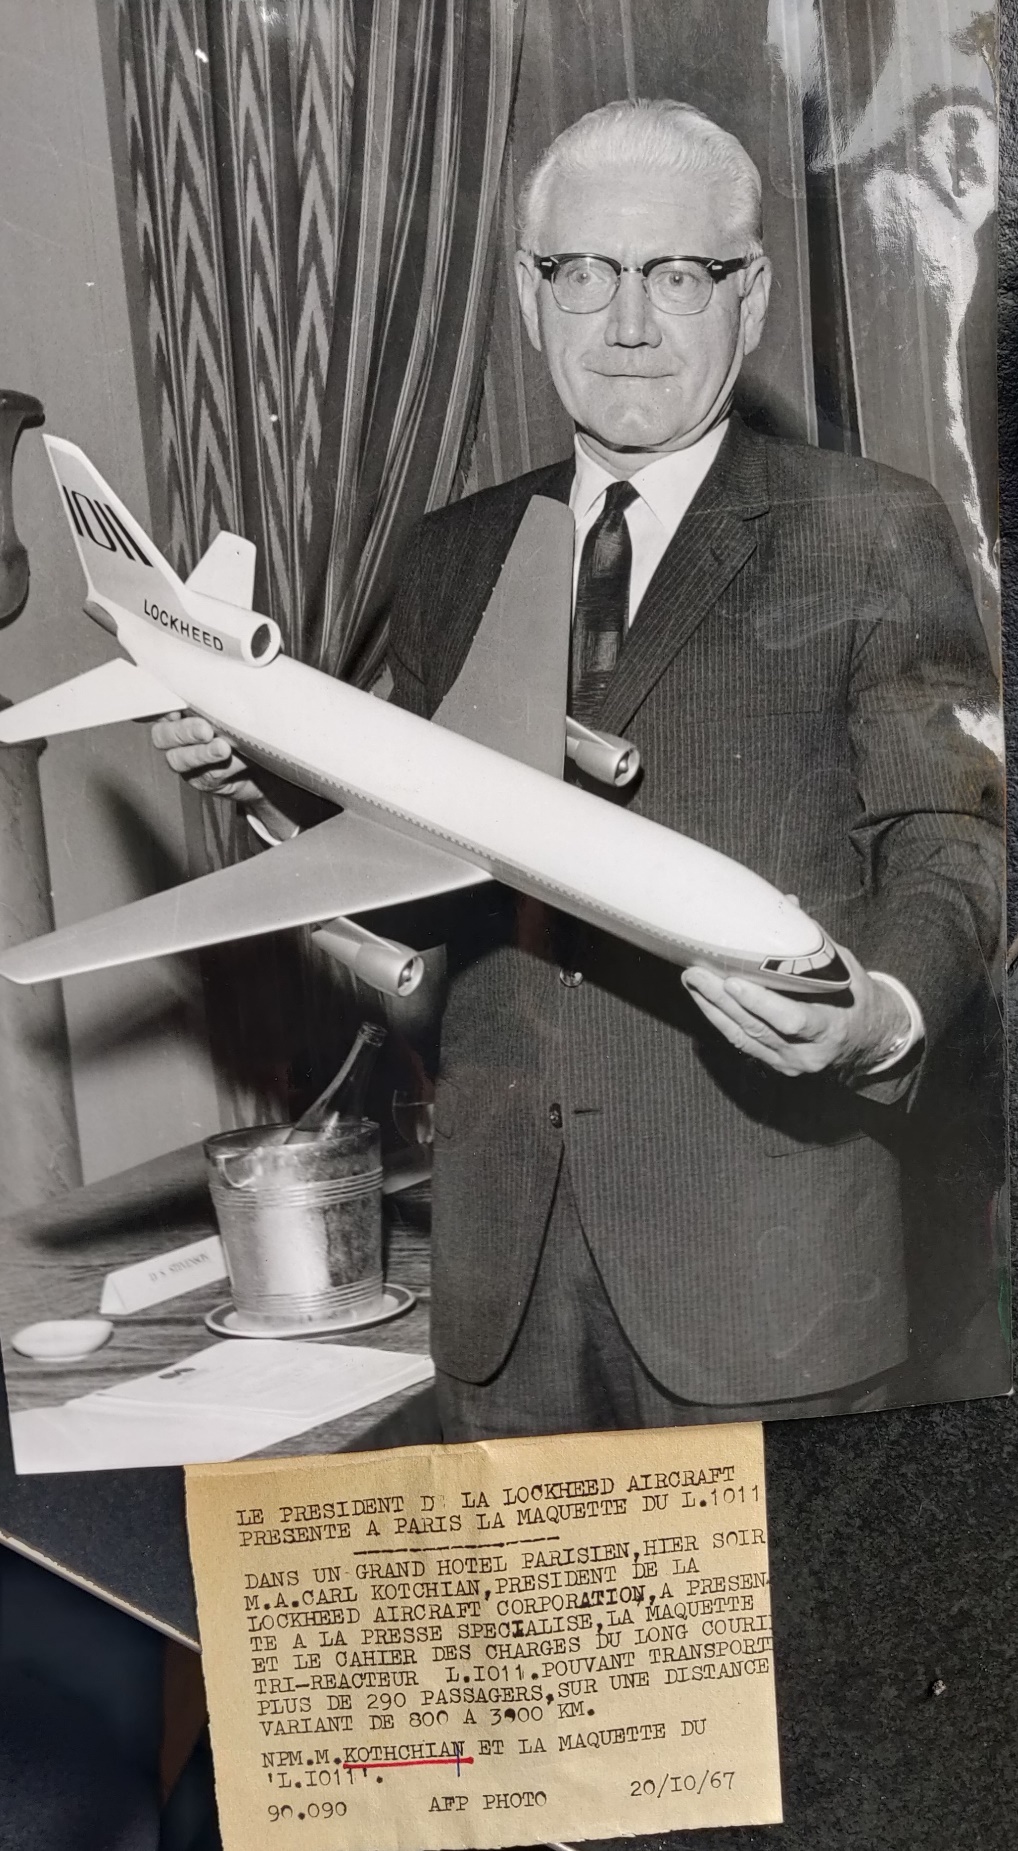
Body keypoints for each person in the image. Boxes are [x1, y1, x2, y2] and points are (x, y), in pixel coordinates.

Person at [152, 101, 1003, 1439]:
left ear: (752, 294)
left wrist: (881, 1010)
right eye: (583, 273)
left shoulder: (869, 528)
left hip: (761, 1289)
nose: (626, 324)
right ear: (527, 293)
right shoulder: (452, 554)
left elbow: (948, 836)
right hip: (505, 1289)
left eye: (677, 274)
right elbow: (429, 881)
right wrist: (267, 788)